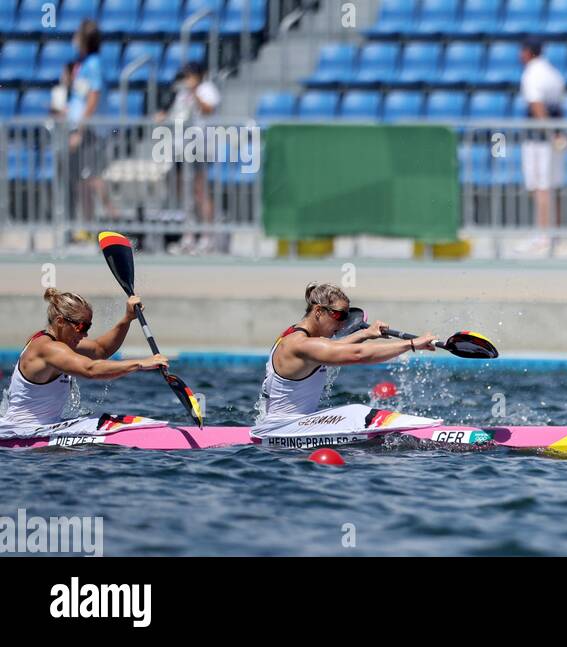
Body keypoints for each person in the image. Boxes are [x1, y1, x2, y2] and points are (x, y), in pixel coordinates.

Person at [252, 283, 440, 442]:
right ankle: (431, 432)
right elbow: (357, 354)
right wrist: (412, 344)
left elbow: (331, 347)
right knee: (356, 411)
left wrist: (365, 333)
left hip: (286, 426)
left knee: (352, 412)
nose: (343, 324)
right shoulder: (299, 344)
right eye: (340, 315)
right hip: (281, 430)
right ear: (318, 311)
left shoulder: (295, 334)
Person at [0, 289, 169, 439]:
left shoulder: (61, 342)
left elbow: (100, 350)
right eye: (81, 327)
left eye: (88, 327)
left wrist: (127, 318)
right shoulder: (48, 348)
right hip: (22, 432)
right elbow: (90, 369)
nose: (85, 334)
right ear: (60, 322)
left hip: (43, 429)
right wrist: (140, 363)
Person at [155, 62, 222, 255]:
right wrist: (163, 115)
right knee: (186, 194)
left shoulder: (207, 89)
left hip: (199, 148)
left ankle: (208, 237)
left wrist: (194, 93)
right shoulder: (182, 92)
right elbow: (177, 114)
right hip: (182, 148)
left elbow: (208, 109)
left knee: (201, 193)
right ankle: (189, 236)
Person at [66, 19, 116, 236]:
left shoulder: (94, 64)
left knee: (92, 177)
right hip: (81, 128)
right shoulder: (84, 64)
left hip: (89, 131)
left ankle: (116, 218)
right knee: (82, 179)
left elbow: (93, 98)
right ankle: (86, 227)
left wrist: (80, 129)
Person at [518, 40, 566, 253]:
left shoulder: (532, 74)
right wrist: (557, 133)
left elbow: (536, 106)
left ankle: (543, 236)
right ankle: (552, 233)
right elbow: (560, 106)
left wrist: (549, 133)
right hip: (552, 136)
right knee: (550, 185)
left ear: (528, 53)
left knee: (541, 186)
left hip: (539, 139)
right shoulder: (553, 73)